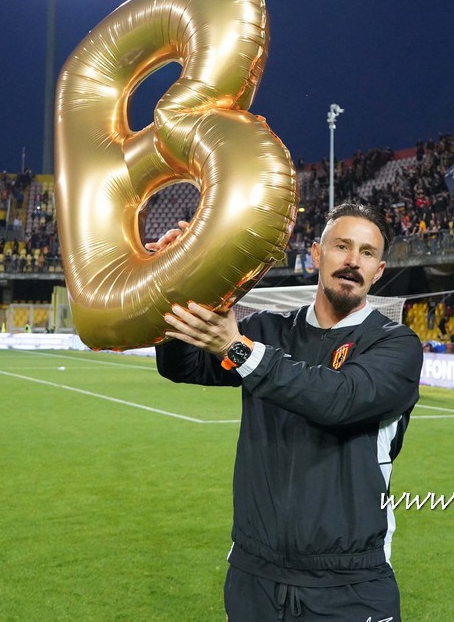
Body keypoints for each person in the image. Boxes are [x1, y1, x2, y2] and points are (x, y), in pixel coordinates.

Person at [153, 203, 422, 621]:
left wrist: (238, 350)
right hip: (254, 576)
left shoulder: (396, 345)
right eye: (342, 246)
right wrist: (176, 276)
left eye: (367, 253)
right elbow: (182, 365)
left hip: (348, 584)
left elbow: (338, 399)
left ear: (378, 270)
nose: (353, 261)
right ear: (316, 254)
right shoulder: (267, 331)